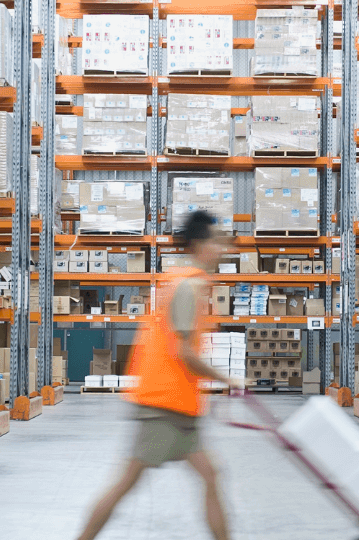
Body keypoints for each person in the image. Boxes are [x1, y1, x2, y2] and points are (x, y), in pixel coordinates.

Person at [76, 210, 245, 540]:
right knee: (127, 482)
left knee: (211, 476)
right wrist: (228, 380)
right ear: (199, 245)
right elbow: (184, 353)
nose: (222, 248)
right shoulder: (187, 287)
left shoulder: (190, 282)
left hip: (179, 406)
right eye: (216, 241)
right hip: (161, 407)